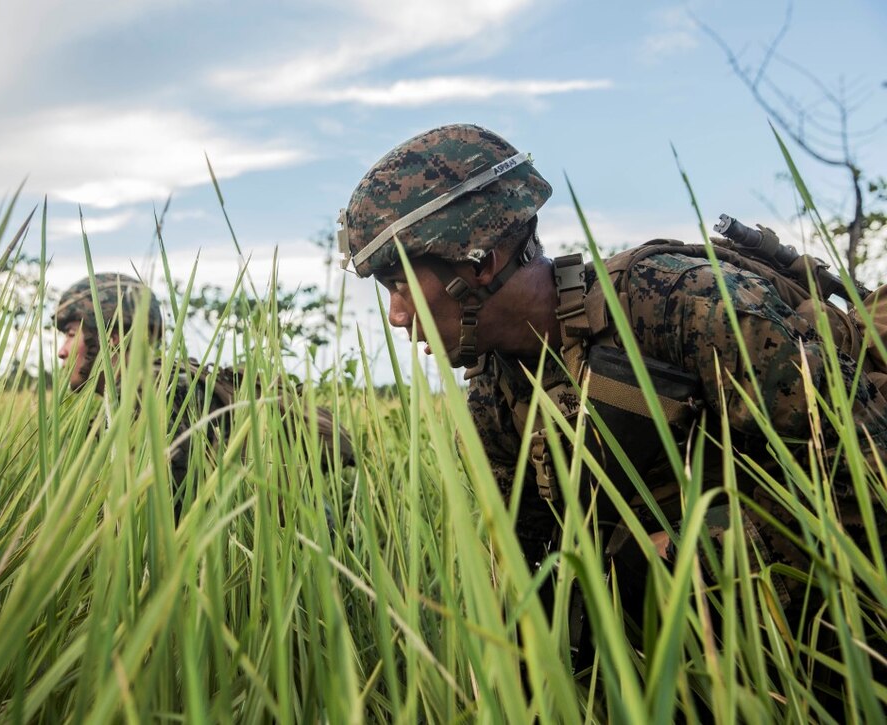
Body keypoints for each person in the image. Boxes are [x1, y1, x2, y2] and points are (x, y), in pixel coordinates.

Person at [337, 124, 887, 662]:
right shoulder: (493, 398)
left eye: (400, 284)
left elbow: (867, 476)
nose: (397, 315)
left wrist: (698, 559)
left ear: (479, 261)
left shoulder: (680, 303)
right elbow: (524, 566)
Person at [54, 272, 353, 505]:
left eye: (70, 334)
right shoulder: (160, 387)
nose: (62, 351)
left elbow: (171, 518)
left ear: (113, 336)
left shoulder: (156, 398)